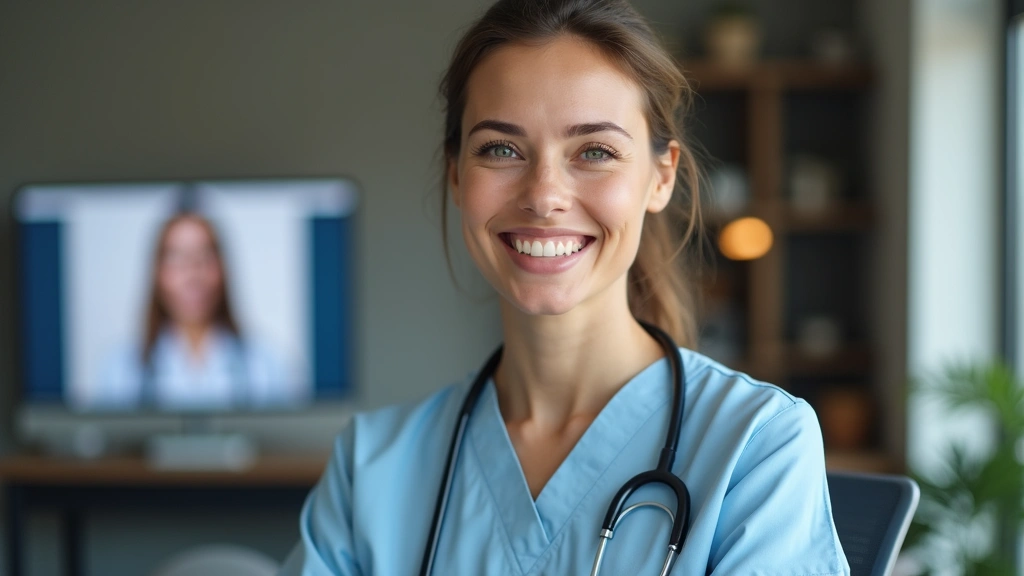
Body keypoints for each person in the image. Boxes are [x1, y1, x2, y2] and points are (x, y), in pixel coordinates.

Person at [286, 0, 849, 574]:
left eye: (596, 152)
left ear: (660, 176)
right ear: (457, 174)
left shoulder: (756, 445)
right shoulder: (373, 467)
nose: (544, 194)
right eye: (501, 149)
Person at [90, 213, 297, 411]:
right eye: (177, 259)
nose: (192, 275)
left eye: (204, 258)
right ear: (157, 272)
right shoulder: (120, 368)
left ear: (223, 270)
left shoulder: (265, 364)